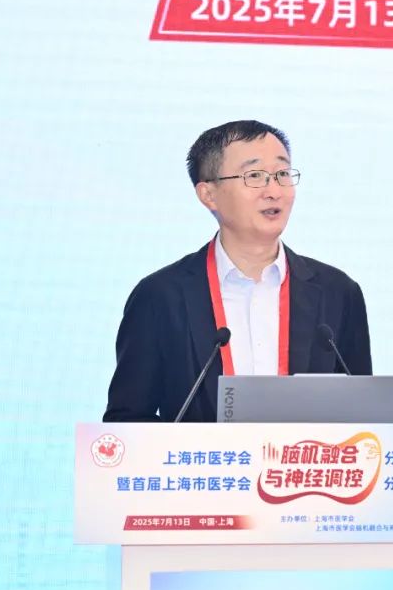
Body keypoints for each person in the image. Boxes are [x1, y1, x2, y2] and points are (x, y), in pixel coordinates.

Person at [103, 120, 372, 422]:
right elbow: (127, 421)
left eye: (282, 174)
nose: (274, 190)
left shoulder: (338, 293)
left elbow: (364, 417)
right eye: (254, 176)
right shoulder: (160, 296)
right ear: (209, 194)